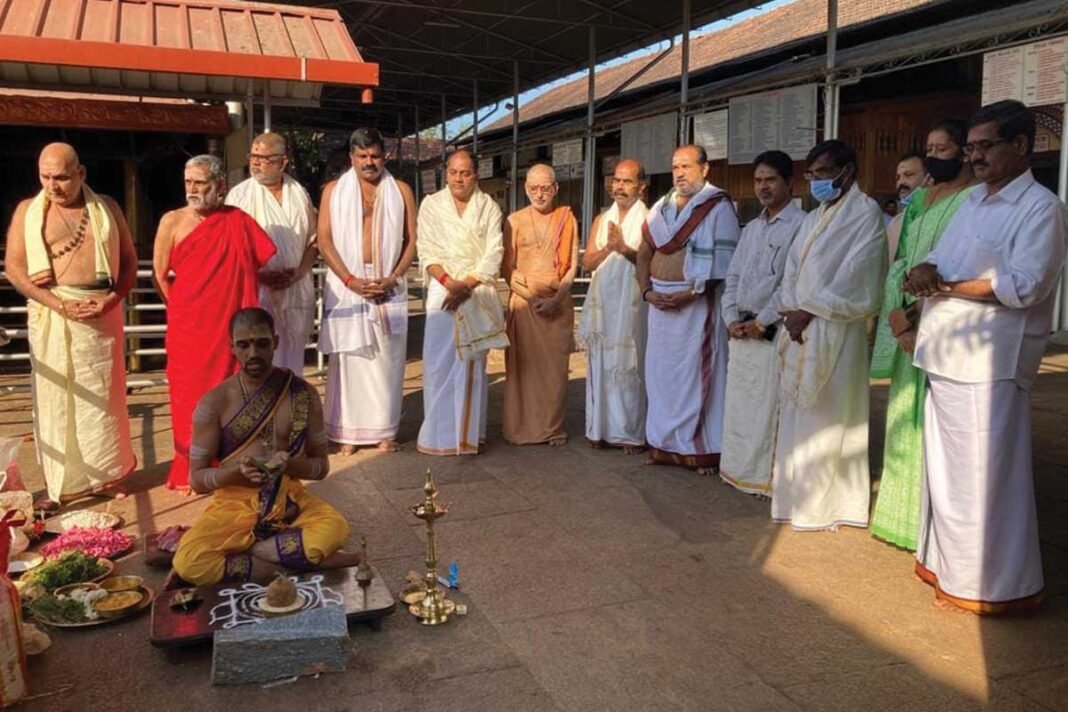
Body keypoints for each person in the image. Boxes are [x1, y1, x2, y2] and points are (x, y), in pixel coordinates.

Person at [905, 100, 1068, 613]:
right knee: (948, 476)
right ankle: (949, 570)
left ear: (1021, 146)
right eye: (971, 147)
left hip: (989, 365)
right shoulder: (974, 200)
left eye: (985, 146)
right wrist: (923, 272)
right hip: (945, 353)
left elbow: (1026, 284)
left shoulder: (1042, 208)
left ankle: (994, 586)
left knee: (988, 479)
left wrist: (945, 284)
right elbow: (943, 261)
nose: (974, 157)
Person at [173, 308, 357, 586]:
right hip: (234, 503)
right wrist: (236, 473)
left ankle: (252, 554)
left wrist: (289, 465)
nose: (253, 353)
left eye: (261, 343)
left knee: (336, 528)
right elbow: (196, 480)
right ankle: (295, 562)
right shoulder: (214, 403)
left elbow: (320, 467)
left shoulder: (302, 394)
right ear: (231, 347)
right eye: (243, 345)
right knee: (189, 562)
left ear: (276, 342)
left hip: (290, 501)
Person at [3, 143, 137, 509]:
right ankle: (60, 484)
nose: (53, 185)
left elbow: (128, 262)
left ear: (81, 174)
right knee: (54, 400)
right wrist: (57, 303)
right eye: (45, 176)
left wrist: (111, 299)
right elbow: (15, 269)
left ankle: (106, 476)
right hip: (51, 313)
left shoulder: (106, 208)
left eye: (61, 176)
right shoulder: (27, 212)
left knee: (103, 402)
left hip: (100, 314)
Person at [869, 119, 976, 551]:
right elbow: (902, 262)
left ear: (964, 152)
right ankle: (900, 519)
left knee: (938, 428)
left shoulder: (972, 202)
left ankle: (934, 527)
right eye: (929, 148)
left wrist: (915, 319)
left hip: (943, 321)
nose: (935, 156)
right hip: (907, 317)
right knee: (902, 420)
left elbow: (955, 267)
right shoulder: (918, 203)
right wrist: (896, 315)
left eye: (943, 148)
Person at [772, 140, 887, 530]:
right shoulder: (814, 215)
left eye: (822, 173)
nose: (816, 181)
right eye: (812, 174)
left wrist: (811, 309)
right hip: (800, 325)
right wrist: (790, 308)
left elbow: (858, 274)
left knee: (833, 415)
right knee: (800, 414)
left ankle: (833, 506)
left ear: (847, 172)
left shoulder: (864, 212)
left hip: (836, 328)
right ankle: (796, 498)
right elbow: (793, 266)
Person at [153, 155, 276, 492]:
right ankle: (192, 468)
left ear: (220, 186)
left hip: (228, 329)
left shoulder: (237, 221)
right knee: (187, 397)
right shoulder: (172, 221)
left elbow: (259, 262)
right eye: (188, 182)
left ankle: (231, 464)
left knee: (231, 394)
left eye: (200, 183)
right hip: (188, 330)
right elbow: (160, 275)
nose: (192, 189)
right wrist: (181, 307)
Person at [637, 145, 739, 474]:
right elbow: (644, 252)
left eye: (686, 166)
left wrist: (689, 295)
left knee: (695, 376)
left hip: (696, 305)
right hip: (659, 305)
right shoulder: (660, 208)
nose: (679, 173)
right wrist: (647, 291)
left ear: (705, 169)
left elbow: (726, 265)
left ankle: (700, 450)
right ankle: (662, 443)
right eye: (675, 166)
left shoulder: (717, 206)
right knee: (661, 376)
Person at [317, 128, 417, 454]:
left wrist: (394, 276)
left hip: (388, 282)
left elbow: (412, 240)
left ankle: (385, 432)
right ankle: (347, 434)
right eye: (362, 157)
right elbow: (324, 240)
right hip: (348, 284)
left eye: (375, 155)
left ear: (384, 156)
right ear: (352, 158)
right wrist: (349, 280)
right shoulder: (333, 191)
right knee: (350, 361)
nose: (369, 162)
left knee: (386, 361)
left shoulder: (400, 190)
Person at [719, 151, 806, 495]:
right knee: (742, 406)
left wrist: (763, 321)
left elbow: (791, 283)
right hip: (741, 332)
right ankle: (737, 470)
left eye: (771, 179)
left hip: (775, 332)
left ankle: (765, 479)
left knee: (770, 408)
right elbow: (734, 277)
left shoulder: (801, 225)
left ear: (789, 183)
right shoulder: (752, 228)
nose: (763, 187)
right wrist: (729, 319)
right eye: (758, 180)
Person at [416, 150, 508, 456]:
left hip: (474, 291)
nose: (459, 178)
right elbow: (426, 248)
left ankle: (468, 436)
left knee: (472, 366)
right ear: (446, 174)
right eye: (454, 172)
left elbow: (494, 253)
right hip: (442, 292)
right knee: (438, 365)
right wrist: (448, 284)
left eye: (465, 173)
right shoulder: (431, 205)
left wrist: (465, 285)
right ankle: (439, 436)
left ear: (475, 175)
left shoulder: (488, 207)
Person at [225, 132, 317, 374]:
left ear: (282, 161)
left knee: (291, 363)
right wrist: (260, 276)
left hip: (295, 289)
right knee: (258, 360)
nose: (255, 162)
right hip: (256, 290)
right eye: (253, 156)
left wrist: (297, 273)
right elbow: (230, 249)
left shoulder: (300, 194)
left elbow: (314, 242)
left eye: (263, 157)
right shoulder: (238, 196)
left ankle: (288, 408)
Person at [502, 164, 579, 446]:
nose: (540, 193)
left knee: (555, 372)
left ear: (555, 188)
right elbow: (507, 270)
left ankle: (552, 428)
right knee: (524, 370)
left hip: (557, 304)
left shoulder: (567, 218)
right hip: (525, 303)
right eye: (534, 188)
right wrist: (533, 298)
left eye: (545, 187)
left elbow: (572, 267)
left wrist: (555, 299)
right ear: (525, 189)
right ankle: (520, 429)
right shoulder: (514, 220)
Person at [578, 158, 650, 452]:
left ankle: (629, 435)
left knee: (629, 368)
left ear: (641, 187)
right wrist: (609, 247)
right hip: (603, 306)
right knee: (601, 366)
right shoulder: (601, 219)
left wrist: (625, 250)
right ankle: (600, 430)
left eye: (627, 181)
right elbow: (586, 262)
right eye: (617, 180)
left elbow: (651, 262)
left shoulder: (649, 218)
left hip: (631, 304)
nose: (620, 187)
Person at [887, 152, 926, 260]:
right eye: (898, 178)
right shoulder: (895, 222)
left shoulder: (936, 216)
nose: (901, 182)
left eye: (908, 175)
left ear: (928, 178)